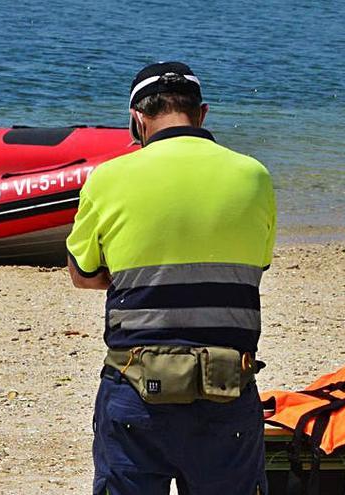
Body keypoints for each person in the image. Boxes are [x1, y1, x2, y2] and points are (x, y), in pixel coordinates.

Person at [66, 61, 276, 494]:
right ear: (202, 114)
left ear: (137, 119)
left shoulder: (107, 178)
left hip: (136, 390)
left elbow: (83, 273)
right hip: (227, 390)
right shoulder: (254, 176)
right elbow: (255, 265)